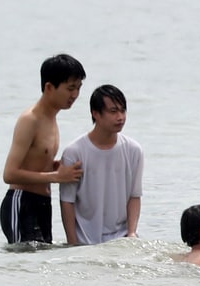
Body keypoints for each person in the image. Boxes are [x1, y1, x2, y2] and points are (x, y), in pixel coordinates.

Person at [1, 54, 86, 245]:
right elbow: (9, 174)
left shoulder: (53, 119)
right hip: (21, 202)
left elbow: (37, 161)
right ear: (49, 87)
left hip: (43, 205)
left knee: (41, 265)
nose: (75, 95)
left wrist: (59, 166)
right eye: (70, 88)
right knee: (23, 264)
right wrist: (56, 177)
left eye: (79, 88)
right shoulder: (30, 120)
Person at [58, 85, 144, 246]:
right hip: (85, 240)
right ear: (95, 113)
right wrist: (72, 243)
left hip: (121, 239)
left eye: (123, 111)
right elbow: (67, 201)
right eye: (113, 112)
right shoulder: (74, 152)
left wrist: (132, 233)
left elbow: (135, 195)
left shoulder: (134, 150)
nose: (120, 117)